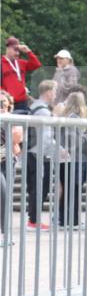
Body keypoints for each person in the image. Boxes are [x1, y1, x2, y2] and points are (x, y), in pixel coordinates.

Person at [54, 91, 87, 228]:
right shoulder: (75, 118)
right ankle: (72, 220)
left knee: (67, 190)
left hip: (64, 159)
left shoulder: (63, 116)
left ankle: (65, 219)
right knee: (74, 190)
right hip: (73, 159)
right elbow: (76, 141)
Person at [25, 80, 60, 230]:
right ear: (49, 92)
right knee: (40, 187)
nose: (56, 95)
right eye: (55, 91)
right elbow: (46, 137)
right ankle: (33, 220)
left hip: (33, 152)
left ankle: (33, 219)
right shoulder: (43, 111)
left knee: (36, 186)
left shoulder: (36, 107)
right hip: (39, 153)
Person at [0, 90, 23, 245]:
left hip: (9, 161)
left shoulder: (13, 119)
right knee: (3, 194)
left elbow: (17, 141)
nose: (1, 104)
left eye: (4, 102)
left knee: (7, 197)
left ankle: (5, 234)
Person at [1, 37, 42, 112]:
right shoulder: (1, 64)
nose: (17, 53)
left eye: (18, 51)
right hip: (7, 103)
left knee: (21, 123)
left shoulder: (21, 63)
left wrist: (28, 52)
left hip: (22, 102)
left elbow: (37, 64)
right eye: (15, 50)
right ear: (8, 48)